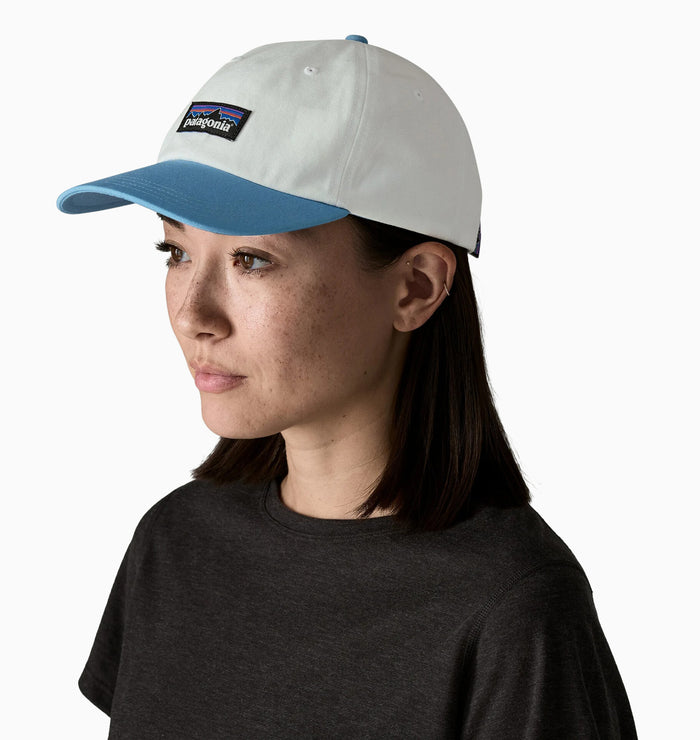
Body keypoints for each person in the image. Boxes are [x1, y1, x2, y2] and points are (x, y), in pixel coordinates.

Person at [57, 35, 637, 738]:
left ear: (416, 287)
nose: (192, 314)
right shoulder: (175, 544)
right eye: (175, 251)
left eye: (251, 260)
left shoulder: (513, 609)